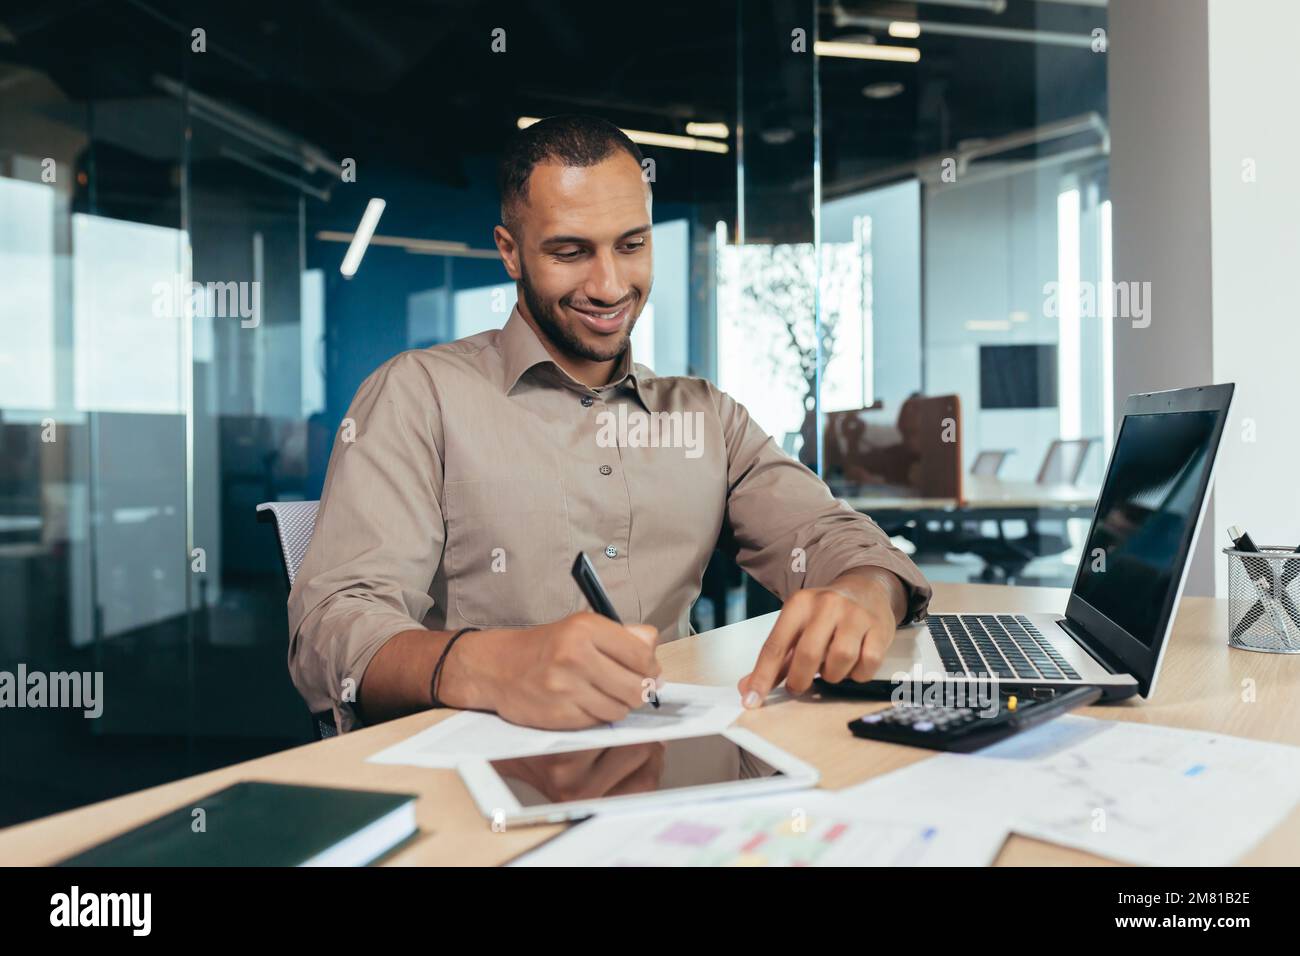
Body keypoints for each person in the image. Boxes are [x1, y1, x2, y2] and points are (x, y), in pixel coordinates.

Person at [288, 114, 931, 734]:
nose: (609, 284)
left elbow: (829, 535)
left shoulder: (705, 416)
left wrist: (867, 590)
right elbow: (332, 626)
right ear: (510, 252)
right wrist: (491, 665)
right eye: (570, 251)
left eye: (632, 245)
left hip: (674, 759)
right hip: (485, 783)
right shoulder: (417, 396)